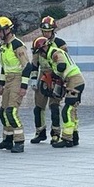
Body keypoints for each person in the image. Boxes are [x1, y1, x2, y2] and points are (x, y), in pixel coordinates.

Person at [0, 16, 36, 153]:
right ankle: (8, 140)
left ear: (7, 30)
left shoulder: (17, 45)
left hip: (17, 79)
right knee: (3, 111)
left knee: (11, 111)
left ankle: (19, 141)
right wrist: (1, 84)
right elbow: (4, 67)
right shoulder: (3, 46)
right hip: (8, 80)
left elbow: (27, 67)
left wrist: (23, 86)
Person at [31, 35, 84, 148]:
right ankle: (74, 137)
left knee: (67, 110)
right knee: (72, 110)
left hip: (74, 81)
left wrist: (54, 76)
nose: (40, 55)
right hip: (74, 81)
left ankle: (67, 139)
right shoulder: (52, 52)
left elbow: (61, 65)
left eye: (40, 52)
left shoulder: (54, 53)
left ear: (44, 48)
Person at [30, 16, 65, 145]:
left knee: (54, 106)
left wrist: (61, 79)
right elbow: (34, 63)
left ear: (53, 30)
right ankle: (40, 132)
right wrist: (33, 78)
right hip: (43, 75)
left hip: (56, 75)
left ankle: (56, 134)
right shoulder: (38, 42)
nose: (46, 34)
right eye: (44, 31)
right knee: (38, 107)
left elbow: (64, 61)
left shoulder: (60, 43)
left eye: (48, 31)